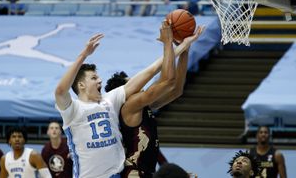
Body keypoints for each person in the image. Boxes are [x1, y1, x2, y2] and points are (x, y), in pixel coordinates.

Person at [54, 19, 202, 177]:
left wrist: (182, 47)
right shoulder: (74, 109)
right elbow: (61, 90)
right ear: (81, 85)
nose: (99, 80)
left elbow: (154, 71)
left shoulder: (110, 100)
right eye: (94, 77)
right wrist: (84, 54)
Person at [105, 22, 204, 177]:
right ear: (124, 92)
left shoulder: (143, 105)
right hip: (133, 173)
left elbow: (176, 89)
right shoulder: (129, 106)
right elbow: (167, 81)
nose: (140, 84)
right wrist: (168, 42)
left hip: (146, 172)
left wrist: (186, 48)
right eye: (133, 83)